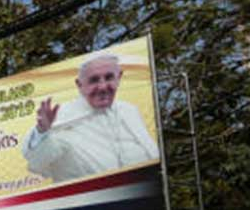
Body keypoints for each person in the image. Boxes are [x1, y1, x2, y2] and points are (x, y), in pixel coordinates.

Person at [22, 54, 159, 183]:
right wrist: (42, 131)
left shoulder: (129, 110)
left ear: (119, 78)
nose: (103, 87)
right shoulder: (63, 116)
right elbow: (37, 160)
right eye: (94, 80)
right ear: (79, 85)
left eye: (109, 77)